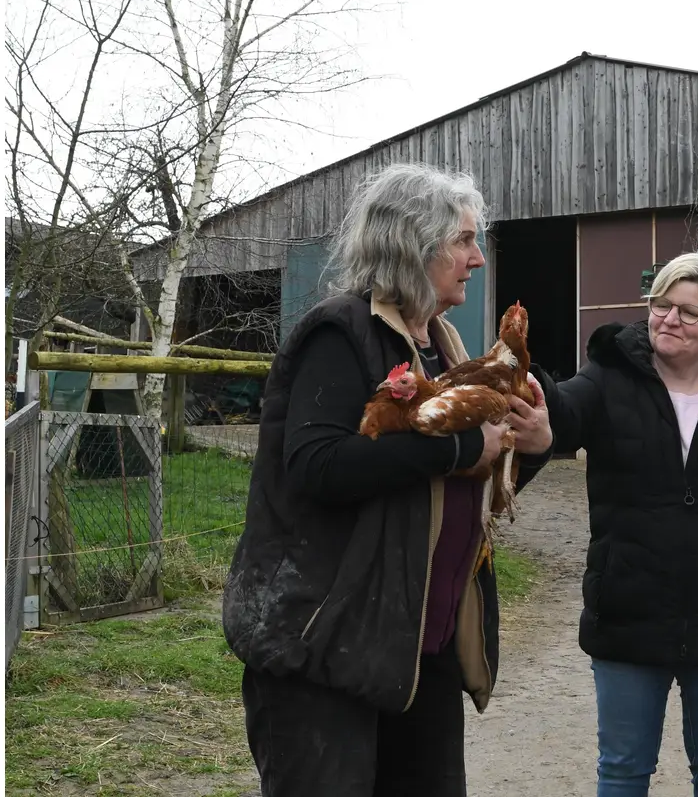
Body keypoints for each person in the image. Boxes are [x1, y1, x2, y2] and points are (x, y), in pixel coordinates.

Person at [221, 162, 556, 796]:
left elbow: (467, 480)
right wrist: (459, 447)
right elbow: (317, 466)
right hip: (325, 644)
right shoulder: (340, 332)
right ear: (413, 243)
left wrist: (530, 447)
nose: (477, 258)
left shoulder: (444, 342)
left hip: (411, 645)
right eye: (463, 240)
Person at [533, 252, 698, 797]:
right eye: (661, 303)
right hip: (629, 611)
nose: (668, 318)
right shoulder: (610, 376)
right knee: (624, 770)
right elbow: (564, 413)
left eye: (688, 311)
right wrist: (532, 389)